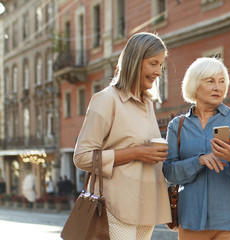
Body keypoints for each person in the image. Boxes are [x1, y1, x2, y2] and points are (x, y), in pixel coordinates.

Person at [73, 32, 171, 240]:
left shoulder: (147, 104)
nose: (158, 72)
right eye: (153, 63)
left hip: (148, 207)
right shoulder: (106, 100)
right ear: (135, 61)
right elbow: (81, 157)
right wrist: (136, 153)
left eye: (161, 65)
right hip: (116, 207)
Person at [163, 57, 230, 240]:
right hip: (191, 221)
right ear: (194, 86)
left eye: (222, 81)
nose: (218, 87)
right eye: (210, 81)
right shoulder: (178, 125)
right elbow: (169, 172)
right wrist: (198, 161)